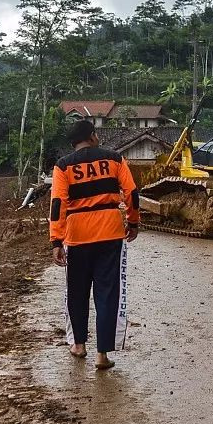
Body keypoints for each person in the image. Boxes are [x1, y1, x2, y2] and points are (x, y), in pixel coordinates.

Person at [50, 120, 140, 370]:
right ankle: (102, 355)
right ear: (92, 136)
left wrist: (56, 240)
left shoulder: (63, 166)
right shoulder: (114, 159)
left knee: (77, 292)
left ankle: (78, 345)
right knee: (107, 293)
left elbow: (58, 205)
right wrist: (133, 223)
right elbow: (131, 193)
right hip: (110, 233)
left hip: (77, 236)